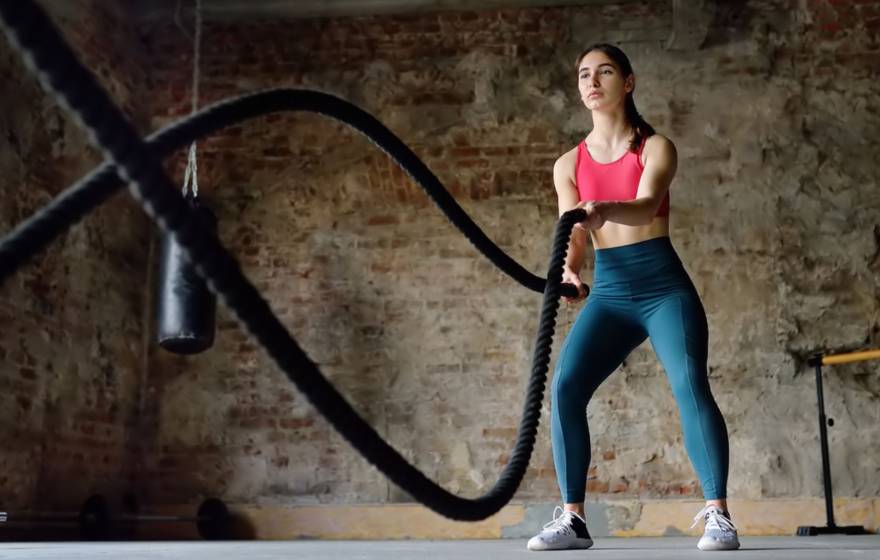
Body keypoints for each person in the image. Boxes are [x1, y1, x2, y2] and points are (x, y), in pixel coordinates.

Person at [526, 43, 739, 552]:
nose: (592, 81)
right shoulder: (568, 164)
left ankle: (718, 515)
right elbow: (574, 234)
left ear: (628, 82)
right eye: (584, 74)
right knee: (566, 388)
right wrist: (570, 270)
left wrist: (603, 209)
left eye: (604, 72)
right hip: (611, 293)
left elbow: (645, 205)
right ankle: (574, 520)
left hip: (663, 288)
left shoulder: (655, 147)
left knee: (689, 383)